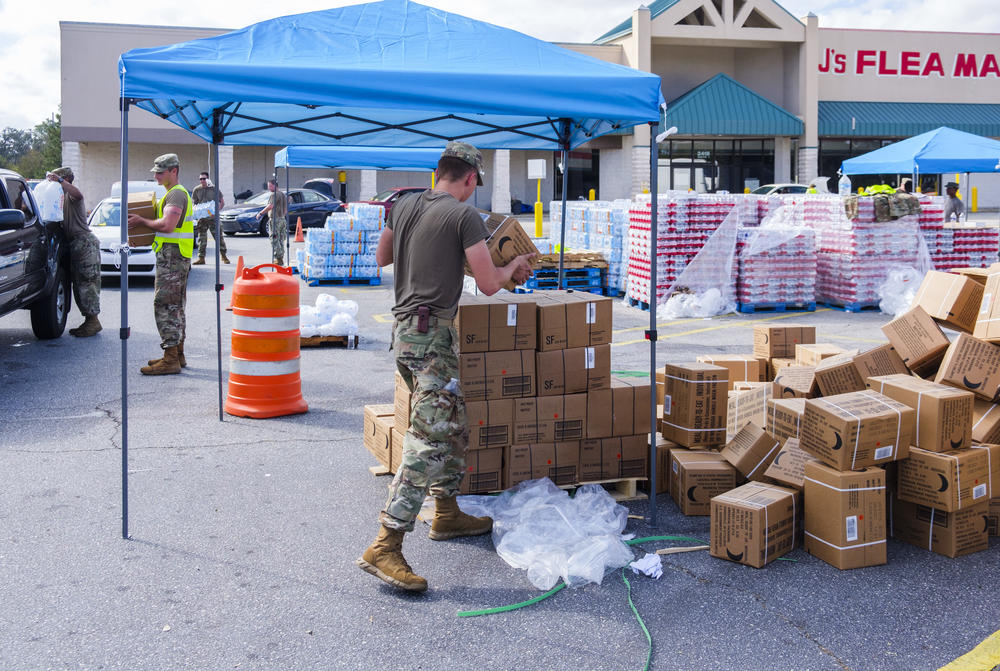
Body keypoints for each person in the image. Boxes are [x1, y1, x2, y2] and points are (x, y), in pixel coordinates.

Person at [356, 141, 535, 592]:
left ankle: (448, 512)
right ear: (472, 179)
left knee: (454, 422)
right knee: (429, 438)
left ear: (439, 172)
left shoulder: (404, 205)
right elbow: (492, 285)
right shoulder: (464, 216)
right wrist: (513, 263)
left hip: (405, 336)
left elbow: (383, 258)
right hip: (432, 337)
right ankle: (386, 543)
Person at [127, 153, 194, 375]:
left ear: (173, 171)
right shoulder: (172, 194)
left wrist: (141, 221)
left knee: (165, 305)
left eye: (160, 172)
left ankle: (171, 358)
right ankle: (177, 354)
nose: (156, 176)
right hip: (173, 258)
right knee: (175, 307)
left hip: (173, 260)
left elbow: (167, 226)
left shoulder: (176, 195)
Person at [47, 167, 102, 337]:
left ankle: (93, 321)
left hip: (84, 242)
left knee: (87, 283)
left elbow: (79, 194)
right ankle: (89, 321)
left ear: (65, 180)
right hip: (75, 244)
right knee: (79, 285)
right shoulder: (61, 199)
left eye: (56, 180)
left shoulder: (72, 196)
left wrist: (61, 182)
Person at [191, 171, 229, 265]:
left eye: (204, 178)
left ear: (208, 179)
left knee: (218, 238)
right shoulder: (197, 189)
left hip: (213, 218)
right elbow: (194, 203)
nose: (202, 181)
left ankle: (224, 256)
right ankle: (201, 258)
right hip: (202, 219)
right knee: (201, 239)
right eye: (200, 179)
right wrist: (196, 213)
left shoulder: (214, 189)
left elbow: (222, 202)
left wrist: (216, 212)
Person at [256, 179, 287, 266]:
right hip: (282, 219)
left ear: (275, 185)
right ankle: (281, 257)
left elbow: (270, 206)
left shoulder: (274, 195)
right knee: (281, 239)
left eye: (270, 186)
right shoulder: (282, 194)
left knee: (274, 239)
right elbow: (285, 209)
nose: (269, 188)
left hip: (275, 220)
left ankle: (278, 258)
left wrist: (261, 213)